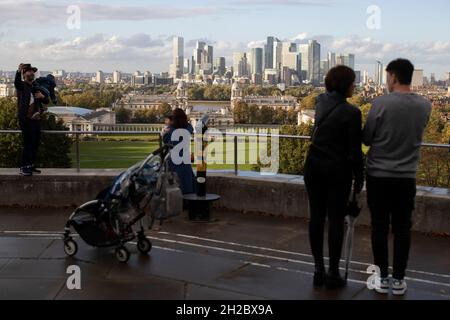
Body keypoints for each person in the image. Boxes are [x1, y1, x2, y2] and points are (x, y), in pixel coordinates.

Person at [363, 59, 431, 296]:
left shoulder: (380, 103)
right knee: (403, 228)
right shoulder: (425, 105)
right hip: (406, 176)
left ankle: (382, 277)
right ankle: (399, 279)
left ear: (392, 76)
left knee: (379, 226)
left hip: (379, 175)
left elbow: (367, 138)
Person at [304, 65, 364, 289]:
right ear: (344, 85)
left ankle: (318, 270)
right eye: (352, 82)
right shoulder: (352, 113)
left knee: (316, 218)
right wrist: (359, 176)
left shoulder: (320, 102)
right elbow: (355, 151)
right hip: (337, 171)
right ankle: (333, 272)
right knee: (336, 220)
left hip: (313, 168)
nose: (354, 86)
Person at [14, 63, 48, 176]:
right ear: (24, 74)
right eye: (29, 71)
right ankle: (24, 167)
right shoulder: (22, 86)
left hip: (36, 119)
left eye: (33, 71)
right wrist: (18, 71)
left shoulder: (35, 87)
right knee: (28, 143)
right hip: (25, 119)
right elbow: (16, 83)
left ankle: (30, 165)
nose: (32, 73)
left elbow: (46, 101)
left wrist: (43, 97)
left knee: (35, 143)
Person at [162, 108, 195, 194]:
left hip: (173, 159)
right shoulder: (189, 128)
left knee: (174, 184)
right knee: (187, 182)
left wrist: (169, 126)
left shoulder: (170, 130)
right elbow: (189, 129)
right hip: (185, 159)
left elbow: (165, 140)